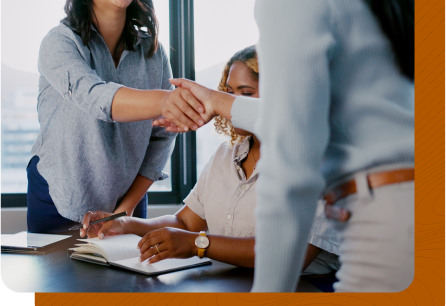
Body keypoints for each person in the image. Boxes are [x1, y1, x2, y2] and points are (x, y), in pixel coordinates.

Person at [156, 0, 414, 293]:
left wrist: (268, 304)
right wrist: (218, 101)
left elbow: (295, 149)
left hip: (380, 233)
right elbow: (321, 113)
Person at [81, 45, 341, 278]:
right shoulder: (225, 155)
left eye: (245, 94)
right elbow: (185, 223)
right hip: (229, 285)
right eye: (228, 93)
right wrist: (126, 223)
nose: (231, 105)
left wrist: (197, 244)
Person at [27, 0, 205, 233]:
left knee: (126, 279)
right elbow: (93, 96)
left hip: (127, 196)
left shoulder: (153, 51)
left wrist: (126, 208)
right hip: (58, 193)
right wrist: (164, 101)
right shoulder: (59, 42)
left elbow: (162, 135)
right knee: (58, 278)